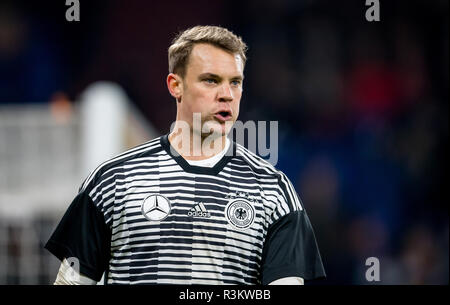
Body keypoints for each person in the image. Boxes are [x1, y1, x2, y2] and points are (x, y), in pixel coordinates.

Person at [45, 25, 326, 285]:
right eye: (211, 80)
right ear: (175, 85)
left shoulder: (273, 190)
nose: (226, 94)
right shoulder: (112, 181)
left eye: (235, 82)